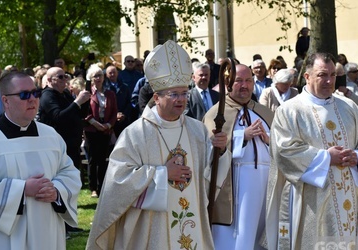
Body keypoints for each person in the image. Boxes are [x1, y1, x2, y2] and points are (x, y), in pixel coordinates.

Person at [86, 40, 231, 250]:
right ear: (156, 97)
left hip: (192, 226)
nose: (181, 100)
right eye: (174, 94)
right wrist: (162, 174)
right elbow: (118, 182)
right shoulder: (136, 134)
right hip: (152, 230)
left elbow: (209, 174)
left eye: (184, 93)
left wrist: (221, 151)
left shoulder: (197, 130)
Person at [266, 52, 358, 249]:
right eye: (322, 75)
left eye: (332, 75)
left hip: (349, 199)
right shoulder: (290, 111)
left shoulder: (348, 107)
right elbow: (283, 150)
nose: (329, 81)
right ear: (307, 76)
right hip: (312, 200)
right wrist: (326, 158)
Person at [0, 71, 81, 249]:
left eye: (35, 93)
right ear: (5, 101)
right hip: (5, 239)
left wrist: (56, 192)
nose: (32, 99)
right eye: (24, 95)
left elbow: (69, 173)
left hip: (48, 232)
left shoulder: (50, 135)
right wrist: (22, 189)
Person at [204, 64, 274, 250]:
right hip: (236, 188)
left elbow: (283, 147)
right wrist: (242, 136)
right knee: (239, 237)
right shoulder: (217, 113)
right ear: (228, 84)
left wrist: (269, 141)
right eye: (239, 81)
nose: (245, 85)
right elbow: (209, 151)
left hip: (266, 185)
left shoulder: (265, 112)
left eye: (248, 80)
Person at [38, 66, 90, 236]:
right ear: (50, 80)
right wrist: (76, 103)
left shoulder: (65, 94)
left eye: (65, 76)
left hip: (71, 146)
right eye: (60, 77)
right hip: (58, 148)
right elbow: (58, 117)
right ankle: (62, 225)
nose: (64, 80)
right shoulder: (47, 96)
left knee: (71, 184)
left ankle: (69, 222)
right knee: (60, 185)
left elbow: (79, 114)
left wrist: (85, 101)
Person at [84, 64, 117, 198]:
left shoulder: (110, 93)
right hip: (92, 130)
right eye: (95, 76)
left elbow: (114, 112)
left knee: (103, 159)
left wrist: (109, 125)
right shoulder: (87, 93)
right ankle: (93, 188)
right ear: (90, 78)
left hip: (106, 130)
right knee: (93, 160)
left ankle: (102, 185)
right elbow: (85, 112)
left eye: (100, 75)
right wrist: (95, 124)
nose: (98, 78)